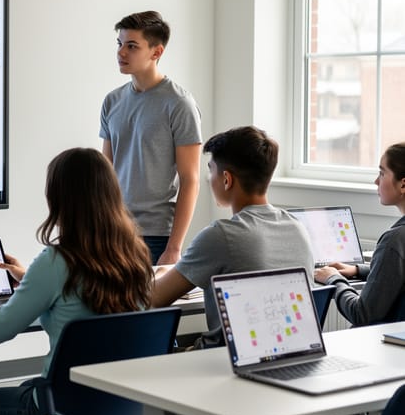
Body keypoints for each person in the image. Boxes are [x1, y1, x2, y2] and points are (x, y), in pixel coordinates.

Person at [0, 147, 153, 415]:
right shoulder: (136, 255)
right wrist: (29, 279)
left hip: (66, 408)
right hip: (125, 405)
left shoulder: (56, 261)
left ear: (59, 199)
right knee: (27, 387)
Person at [150, 126, 314, 348]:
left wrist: (158, 274)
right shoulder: (298, 228)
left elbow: (154, 299)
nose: (209, 179)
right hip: (286, 358)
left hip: (223, 363)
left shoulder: (221, 235)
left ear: (227, 179)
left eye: (211, 170)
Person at [100, 10, 202, 265]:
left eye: (132, 46)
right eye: (120, 44)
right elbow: (106, 172)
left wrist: (174, 248)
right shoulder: (112, 101)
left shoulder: (179, 104)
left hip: (157, 237)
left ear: (156, 52)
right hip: (114, 232)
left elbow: (191, 180)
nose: (121, 52)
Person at [315, 142, 405, 326]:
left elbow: (361, 314)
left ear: (403, 184)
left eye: (382, 173)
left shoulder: (394, 241)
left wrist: (334, 279)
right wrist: (358, 270)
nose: (376, 181)